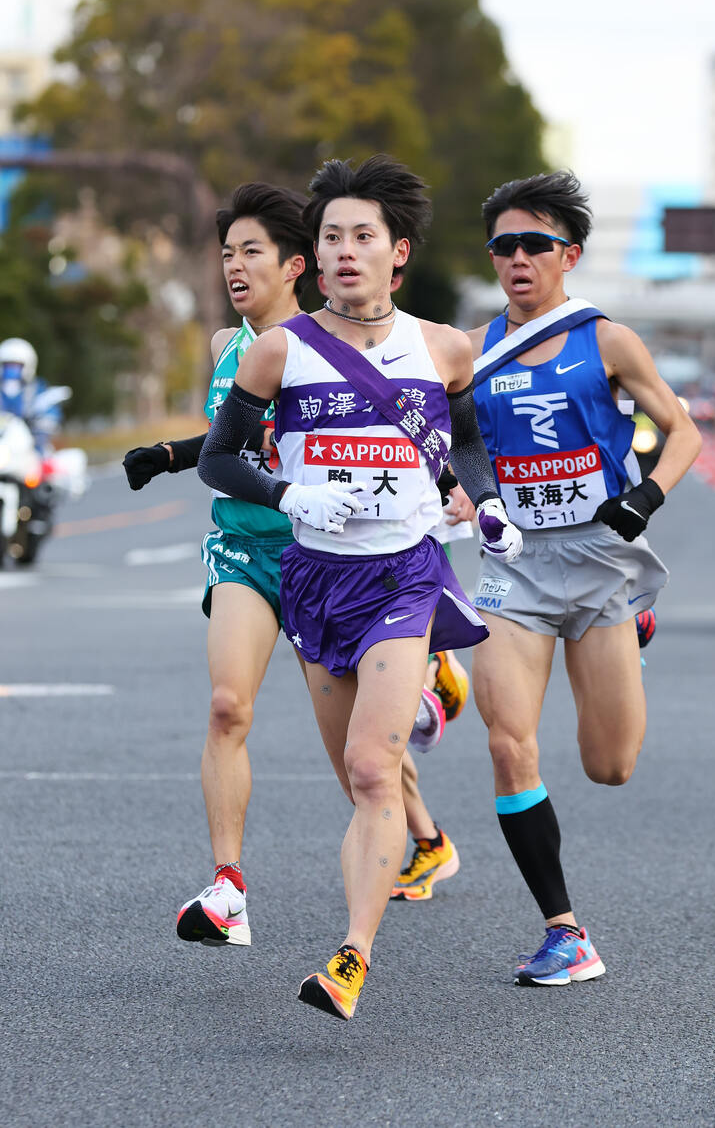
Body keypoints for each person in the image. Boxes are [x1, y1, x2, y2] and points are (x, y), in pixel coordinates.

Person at [198, 154, 522, 1020]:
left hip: (402, 575)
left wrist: (483, 504)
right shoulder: (277, 351)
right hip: (311, 577)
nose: (344, 251)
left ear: (397, 253)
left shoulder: (445, 348)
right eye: (332, 235)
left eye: (362, 237)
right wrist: (288, 491)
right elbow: (217, 457)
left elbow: (475, 442)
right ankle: (400, 835)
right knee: (354, 774)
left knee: (375, 768)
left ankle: (352, 954)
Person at [122, 181, 461, 949]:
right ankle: (228, 885)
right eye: (226, 255)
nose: (233, 268)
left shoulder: (331, 347)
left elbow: (418, 437)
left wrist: (457, 488)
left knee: (360, 762)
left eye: (250, 253)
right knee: (225, 706)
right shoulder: (229, 347)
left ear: (293, 266)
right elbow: (231, 444)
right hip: (246, 547)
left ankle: (426, 828)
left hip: (333, 560)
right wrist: (170, 454)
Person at [459, 170, 701, 986]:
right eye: (504, 246)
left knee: (609, 764)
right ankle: (564, 930)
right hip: (516, 568)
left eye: (535, 244)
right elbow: (454, 443)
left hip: (601, 563)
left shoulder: (608, 339)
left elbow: (683, 432)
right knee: (506, 741)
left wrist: (646, 495)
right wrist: (482, 497)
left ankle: (635, 625)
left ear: (570, 255)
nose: (517, 258)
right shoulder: (474, 349)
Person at [0, 338, 62, 452]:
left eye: (16, 366)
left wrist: (42, 425)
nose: (11, 370)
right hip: (3, 444)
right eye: (7, 365)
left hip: (29, 446)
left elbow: (50, 413)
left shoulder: (37, 389)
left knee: (43, 461)